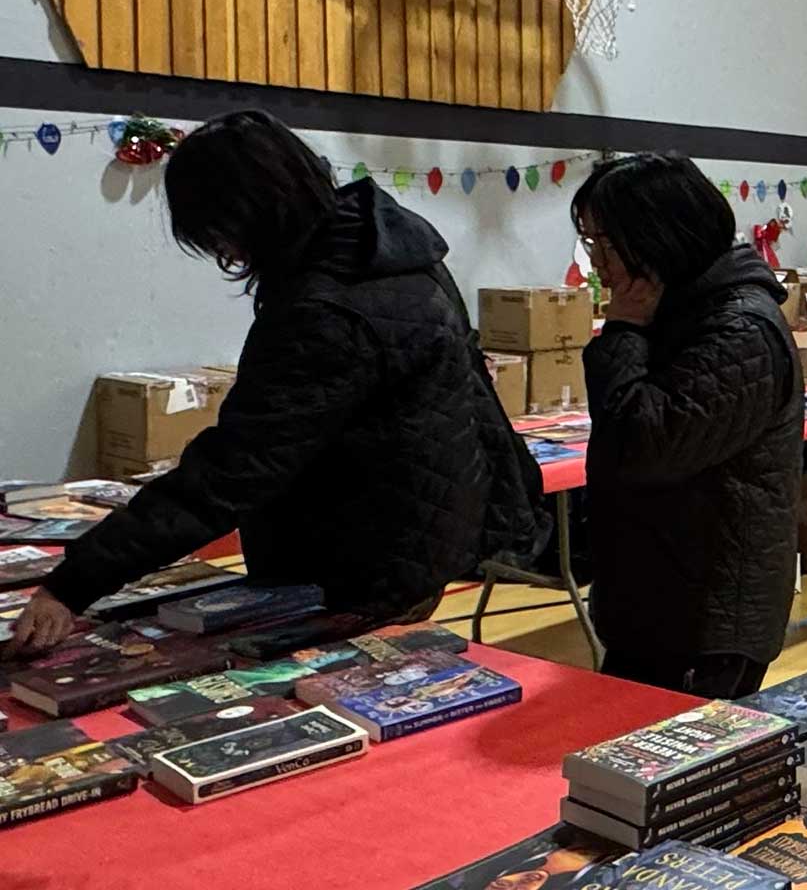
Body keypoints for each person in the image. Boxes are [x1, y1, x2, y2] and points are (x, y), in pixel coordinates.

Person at [6, 111, 549, 654]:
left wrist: (72, 584)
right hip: (420, 536)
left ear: (246, 215)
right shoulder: (389, 249)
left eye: (217, 234)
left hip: (360, 562)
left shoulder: (324, 309)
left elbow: (237, 468)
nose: (224, 254)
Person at [572, 153, 803, 698]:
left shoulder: (737, 328)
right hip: (664, 597)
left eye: (603, 244)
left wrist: (623, 330)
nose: (596, 263)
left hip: (705, 617)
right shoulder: (683, 309)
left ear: (657, 238)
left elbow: (641, 444)